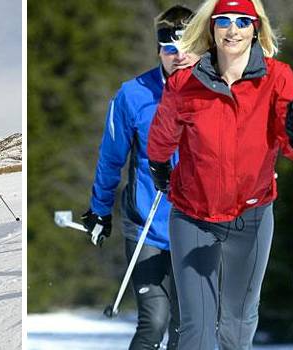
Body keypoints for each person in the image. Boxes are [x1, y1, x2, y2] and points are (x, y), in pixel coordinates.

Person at [146, 0, 293, 348]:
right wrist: (159, 165)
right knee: (196, 327)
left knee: (237, 322)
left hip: (252, 216)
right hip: (193, 216)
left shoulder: (277, 77)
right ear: (211, 27)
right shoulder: (184, 82)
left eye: (243, 21)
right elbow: (162, 137)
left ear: (256, 27)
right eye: (223, 20)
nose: (233, 29)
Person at [81, 5, 198, 349]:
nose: (179, 57)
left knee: (186, 325)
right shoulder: (133, 94)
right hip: (146, 222)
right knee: (154, 321)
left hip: (196, 225)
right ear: (159, 50)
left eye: (186, 47)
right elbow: (110, 158)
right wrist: (100, 209)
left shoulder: (214, 92)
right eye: (169, 49)